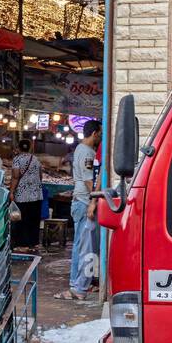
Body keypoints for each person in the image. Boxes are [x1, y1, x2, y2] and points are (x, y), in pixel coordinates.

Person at [56, 120, 102, 301]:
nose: (100, 137)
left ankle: (79, 284)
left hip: (82, 202)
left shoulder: (85, 151)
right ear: (94, 134)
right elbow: (89, 180)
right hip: (84, 202)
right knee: (85, 248)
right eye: (99, 133)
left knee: (80, 247)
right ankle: (78, 287)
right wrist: (94, 200)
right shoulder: (86, 153)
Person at [9, 139, 44, 252]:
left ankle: (23, 244)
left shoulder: (17, 159)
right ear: (29, 148)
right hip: (36, 194)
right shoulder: (36, 159)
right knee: (34, 219)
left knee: (22, 220)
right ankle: (34, 243)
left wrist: (12, 191)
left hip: (22, 195)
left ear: (18, 148)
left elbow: (15, 176)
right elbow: (40, 176)